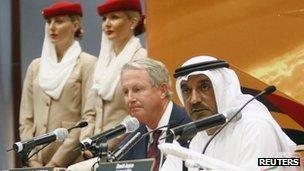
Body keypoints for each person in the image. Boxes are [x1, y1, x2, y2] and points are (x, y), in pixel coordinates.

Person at [161, 55, 296, 171]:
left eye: (204, 87)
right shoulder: (197, 139)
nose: (194, 99)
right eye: (186, 91)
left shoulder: (255, 126)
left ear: (224, 89)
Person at [67, 58, 191, 171]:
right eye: (126, 92)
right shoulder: (132, 140)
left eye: (137, 90)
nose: (130, 99)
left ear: (163, 90)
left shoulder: (191, 125)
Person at [19, 1, 97, 167]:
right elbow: (25, 119)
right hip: (36, 160)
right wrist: (32, 160)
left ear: (75, 25)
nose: (52, 27)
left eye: (59, 21)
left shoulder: (87, 64)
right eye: (48, 22)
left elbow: (88, 117)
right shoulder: (36, 66)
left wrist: (56, 162)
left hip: (71, 161)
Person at [79, 0, 147, 158]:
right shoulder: (101, 63)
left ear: (133, 22)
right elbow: (89, 113)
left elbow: (137, 113)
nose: (107, 24)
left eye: (114, 17)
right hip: (95, 152)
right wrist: (86, 143)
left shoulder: (142, 59)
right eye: (104, 19)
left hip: (127, 148)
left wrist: (104, 145)